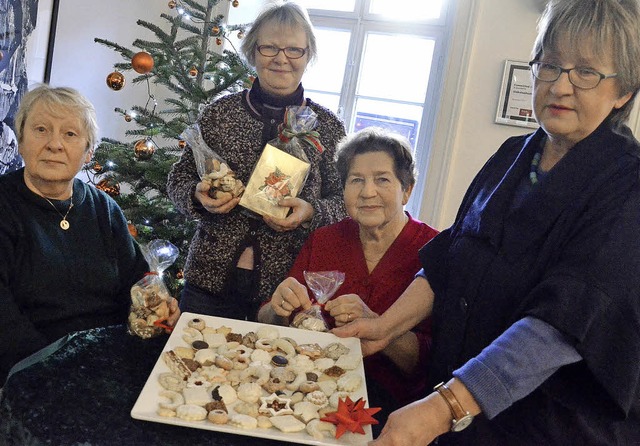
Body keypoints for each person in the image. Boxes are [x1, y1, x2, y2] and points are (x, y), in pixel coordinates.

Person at [333, 0, 640, 444]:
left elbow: (560, 325)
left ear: (624, 91)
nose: (560, 86)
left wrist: (445, 407)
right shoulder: (512, 154)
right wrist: (384, 327)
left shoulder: (627, 186)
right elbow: (449, 261)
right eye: (550, 66)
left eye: (586, 72)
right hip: (461, 409)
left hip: (548, 427)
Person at [167, 1, 347, 321]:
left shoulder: (328, 127)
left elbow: (347, 203)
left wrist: (310, 212)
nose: (281, 59)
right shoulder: (221, 114)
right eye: (269, 48)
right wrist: (198, 195)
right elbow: (179, 177)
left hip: (287, 291)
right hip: (208, 282)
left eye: (294, 50)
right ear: (253, 52)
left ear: (308, 56)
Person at [258, 127, 439, 428]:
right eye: (356, 180)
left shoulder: (435, 251)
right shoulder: (324, 240)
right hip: (311, 397)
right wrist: (277, 308)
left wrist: (379, 325)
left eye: (382, 179)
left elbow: (430, 363)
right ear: (344, 191)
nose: (368, 192)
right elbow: (269, 322)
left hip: (393, 413)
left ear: (407, 190)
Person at [0, 85, 180, 383]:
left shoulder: (103, 208)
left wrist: (156, 306)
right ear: (21, 141)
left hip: (110, 359)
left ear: (87, 153)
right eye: (41, 130)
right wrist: (55, 370)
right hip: (32, 368)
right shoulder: (5, 204)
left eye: (70, 134)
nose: (54, 144)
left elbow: (135, 284)